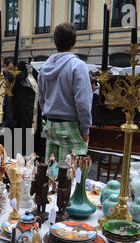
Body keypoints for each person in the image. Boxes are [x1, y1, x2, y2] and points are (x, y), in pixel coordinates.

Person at [38, 23, 92, 162]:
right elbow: (83, 102)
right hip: (70, 126)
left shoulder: (44, 68)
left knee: (52, 174)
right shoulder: (77, 66)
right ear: (74, 42)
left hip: (50, 125)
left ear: (55, 42)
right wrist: (85, 129)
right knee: (71, 178)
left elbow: (42, 99)